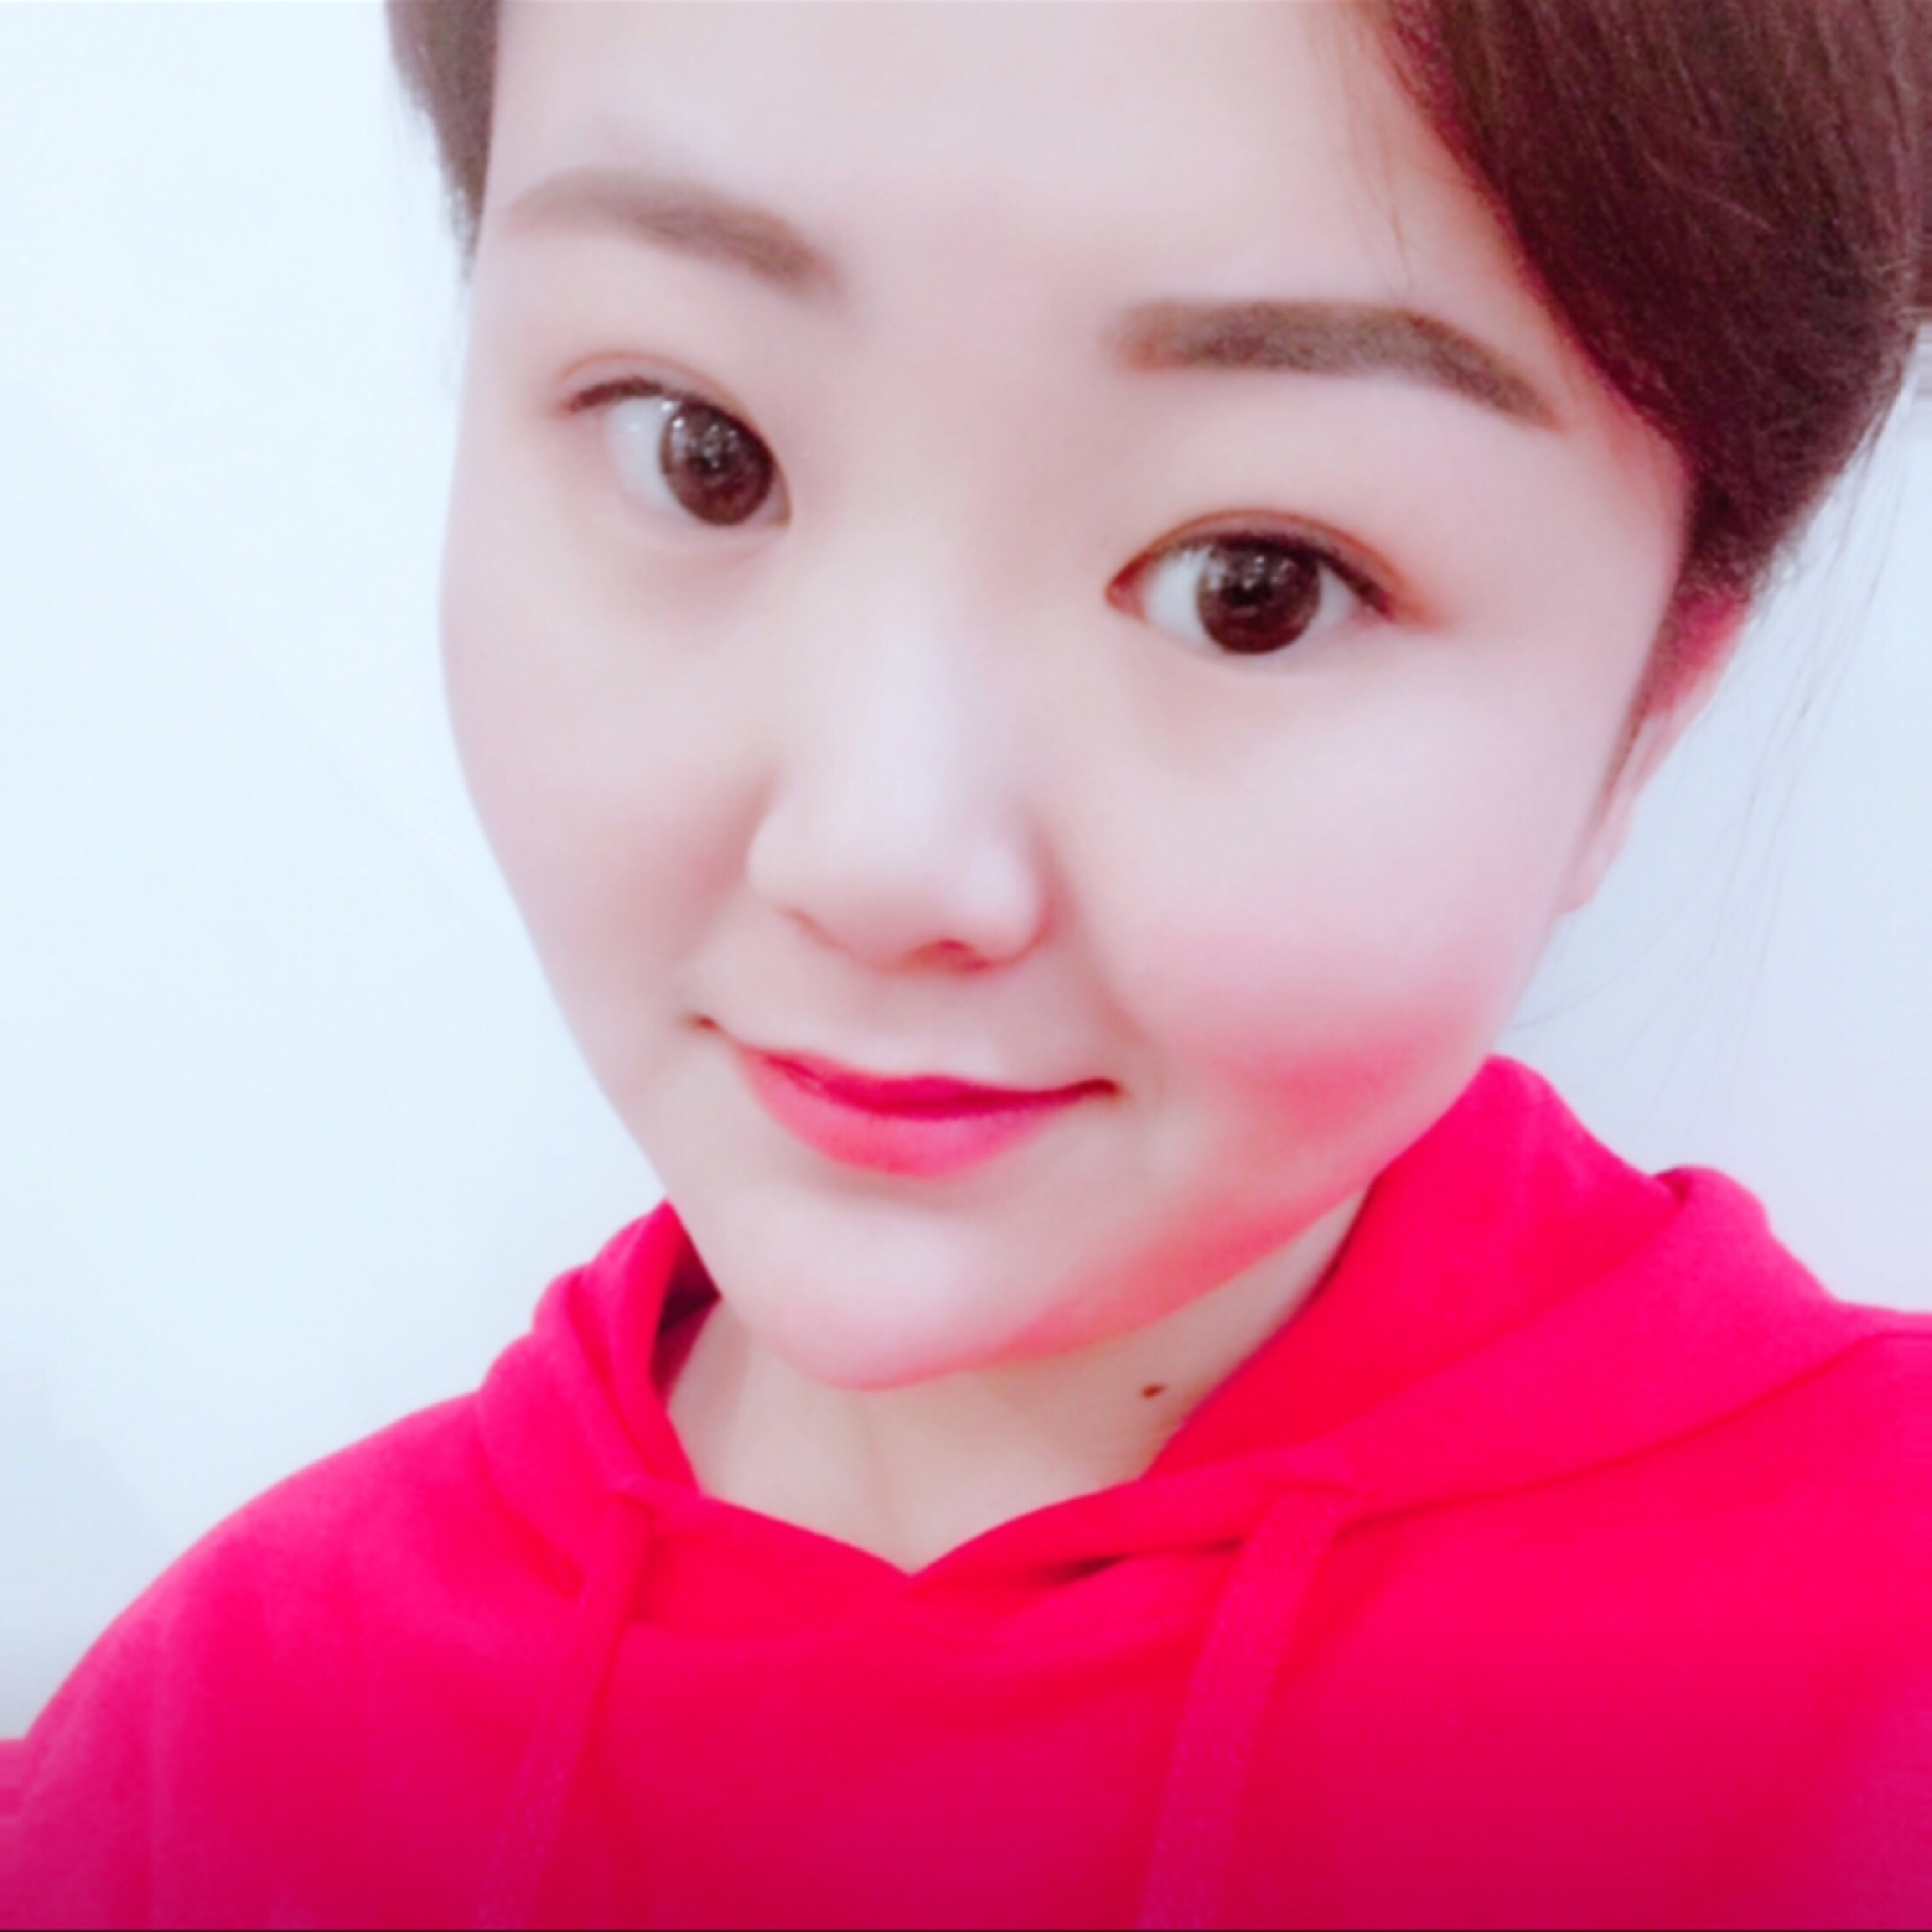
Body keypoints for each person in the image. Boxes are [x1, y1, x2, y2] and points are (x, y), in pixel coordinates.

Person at [4, 2, 1929, 1925]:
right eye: (703, 455)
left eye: (1252, 588)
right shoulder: (206, 1776)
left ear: (1654, 702)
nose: (878, 856)